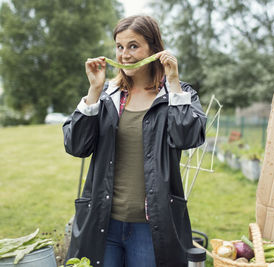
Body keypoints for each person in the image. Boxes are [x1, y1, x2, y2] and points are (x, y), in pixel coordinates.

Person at [63, 15, 207, 267]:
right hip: (103, 223)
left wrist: (173, 84)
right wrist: (93, 91)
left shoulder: (177, 94)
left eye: (133, 46)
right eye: (119, 47)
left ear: (154, 48)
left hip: (151, 227)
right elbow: (76, 146)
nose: (124, 55)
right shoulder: (107, 95)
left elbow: (188, 137)